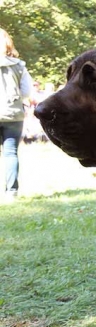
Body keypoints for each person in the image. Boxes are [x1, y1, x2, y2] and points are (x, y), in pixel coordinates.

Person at [1, 28, 33, 202]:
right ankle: (11, 191)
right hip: (13, 114)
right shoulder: (18, 65)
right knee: (10, 153)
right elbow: (27, 91)